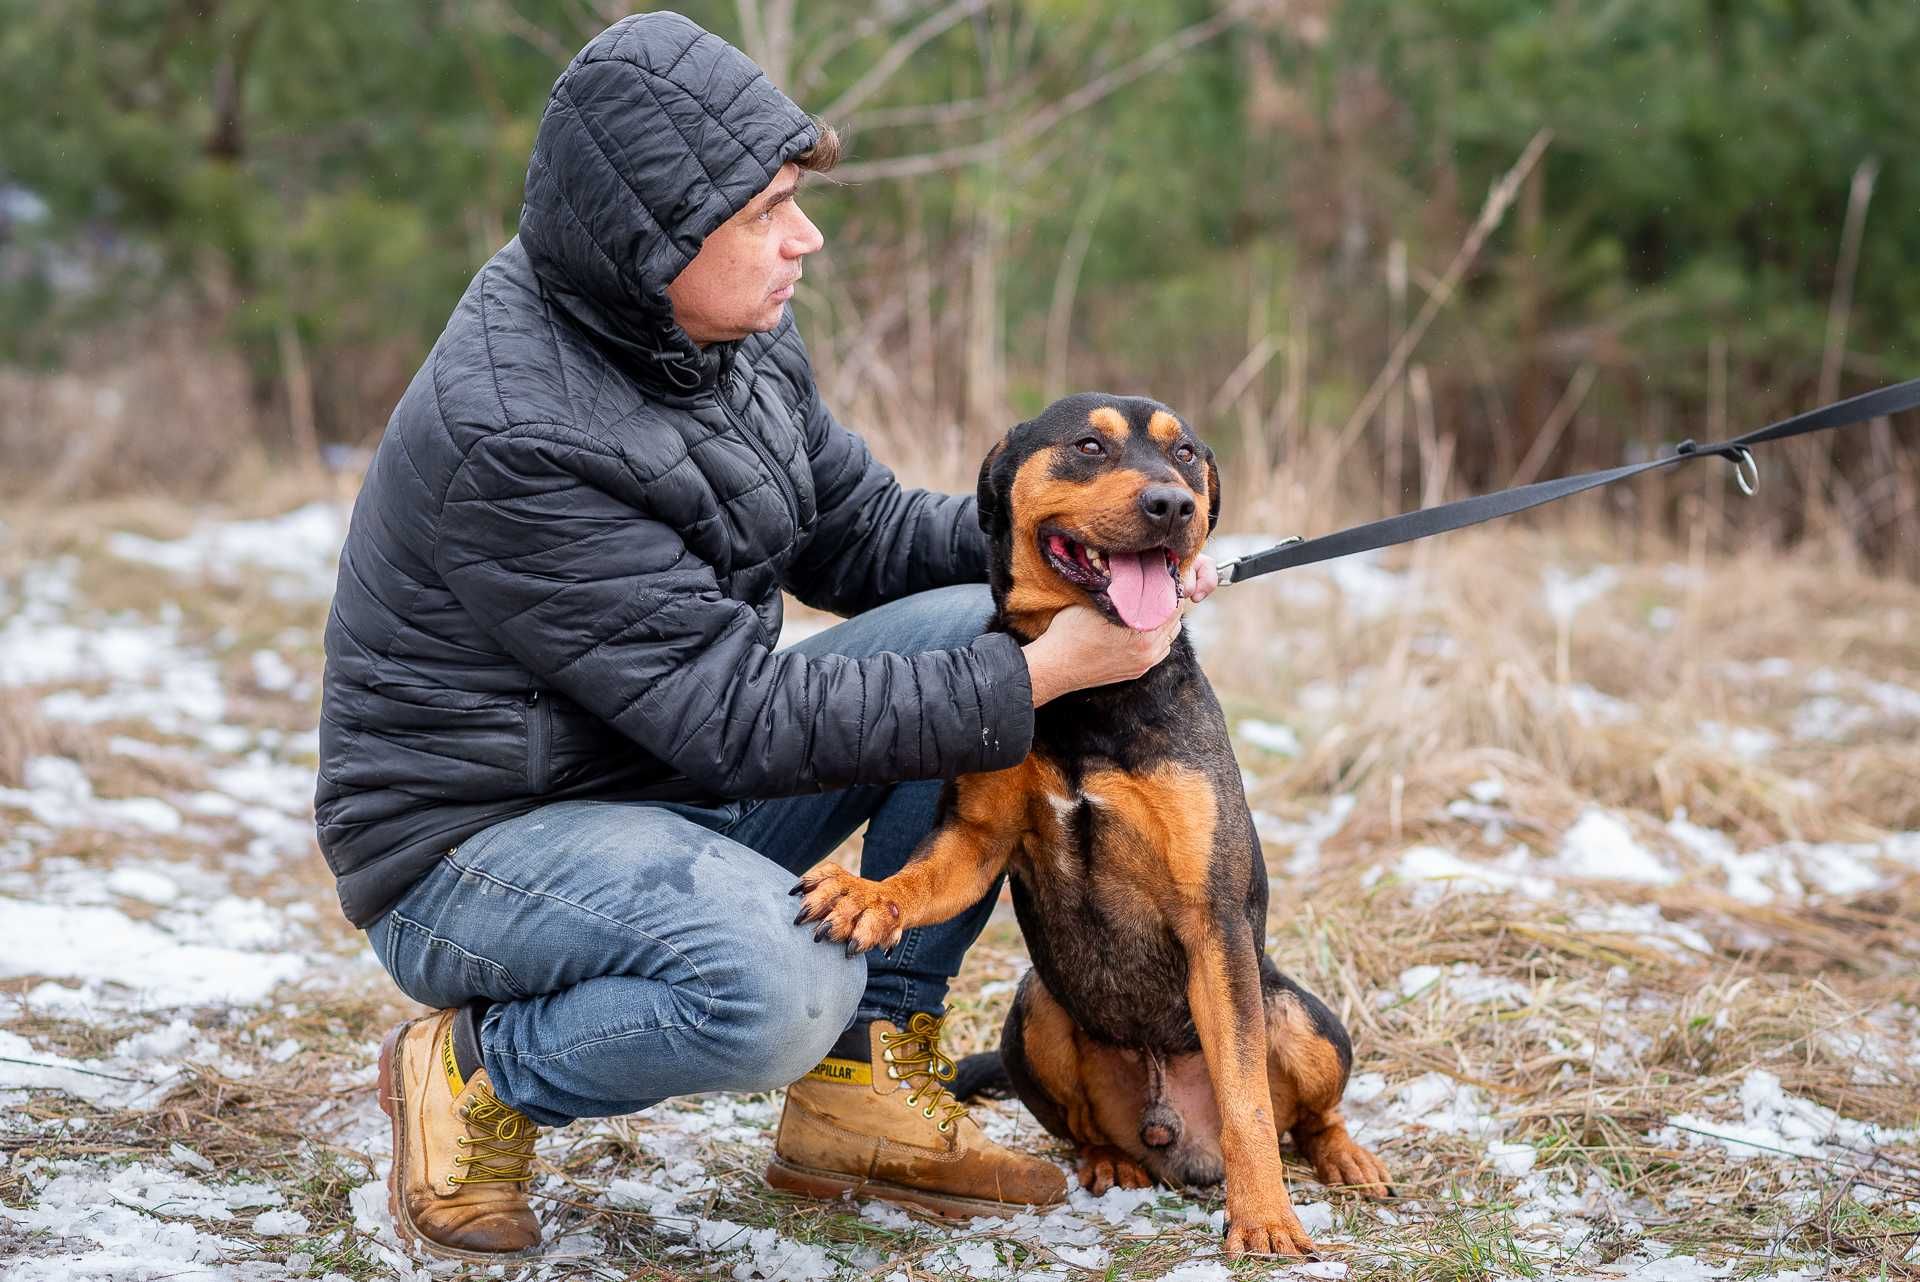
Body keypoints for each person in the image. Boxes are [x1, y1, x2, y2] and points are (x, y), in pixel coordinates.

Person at [315, 11, 1218, 1261]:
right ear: (656, 236)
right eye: (767, 210)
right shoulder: (517, 432)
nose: (808, 235)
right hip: (477, 847)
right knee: (778, 980)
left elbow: (855, 533)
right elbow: (731, 717)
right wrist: (1040, 668)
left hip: (666, 782)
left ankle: (859, 1086)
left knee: (977, 618)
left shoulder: (717, 333)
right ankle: (474, 1071)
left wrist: (1088, 547)